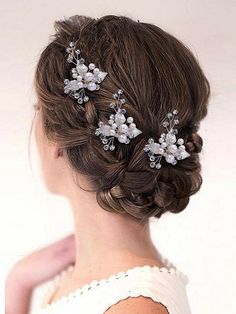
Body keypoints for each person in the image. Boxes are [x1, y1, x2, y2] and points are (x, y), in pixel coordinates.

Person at [5, 14, 210, 314]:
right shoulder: (111, 286)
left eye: (39, 108)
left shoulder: (133, 307)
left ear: (59, 142)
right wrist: (18, 286)